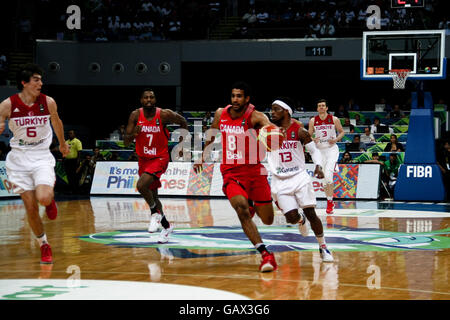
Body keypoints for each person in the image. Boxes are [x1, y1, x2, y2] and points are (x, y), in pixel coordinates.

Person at [193, 81, 279, 272]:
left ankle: (252, 205)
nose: (235, 99)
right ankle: (266, 254)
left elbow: (271, 128)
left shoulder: (256, 116)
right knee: (241, 209)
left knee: (268, 220)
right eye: (233, 96)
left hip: (254, 172)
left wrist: (272, 134)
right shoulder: (220, 113)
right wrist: (202, 155)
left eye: (239, 96)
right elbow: (212, 134)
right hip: (231, 171)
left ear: (247, 99)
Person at [0, 63, 69, 264]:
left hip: (40, 155)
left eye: (41, 79)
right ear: (24, 83)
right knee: (30, 207)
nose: (41, 83)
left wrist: (63, 144)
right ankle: (44, 245)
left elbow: (56, 122)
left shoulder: (48, 102)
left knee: (44, 198)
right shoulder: (7, 104)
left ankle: (50, 201)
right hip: (19, 159)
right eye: (36, 80)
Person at [268, 98, 334, 262]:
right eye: (271, 109)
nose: (272, 112)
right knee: (291, 217)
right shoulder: (268, 130)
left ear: (285, 112)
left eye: (276, 109)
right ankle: (300, 220)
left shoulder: (299, 131)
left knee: (311, 212)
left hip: (299, 177)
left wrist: (318, 165)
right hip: (279, 179)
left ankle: (323, 247)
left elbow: (314, 151)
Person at [124, 88, 188, 243]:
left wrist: (182, 145)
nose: (148, 100)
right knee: (154, 195)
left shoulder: (164, 114)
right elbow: (126, 141)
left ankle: (154, 213)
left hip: (159, 157)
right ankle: (166, 227)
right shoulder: (135, 115)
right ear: (141, 100)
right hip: (143, 159)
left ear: (155, 100)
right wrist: (134, 134)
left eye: (151, 97)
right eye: (145, 97)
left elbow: (183, 122)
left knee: (141, 185)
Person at [308, 99, 345, 214]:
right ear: (317, 108)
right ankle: (330, 200)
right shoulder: (313, 121)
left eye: (323, 106)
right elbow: (308, 135)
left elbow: (342, 132)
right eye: (319, 106)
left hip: (331, 150)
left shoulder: (334, 119)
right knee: (324, 180)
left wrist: (335, 139)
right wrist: (313, 139)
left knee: (328, 175)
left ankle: (330, 203)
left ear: (327, 108)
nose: (321, 107)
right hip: (319, 151)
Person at [64, 130, 82, 194]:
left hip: (74, 161)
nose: (70, 134)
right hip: (67, 161)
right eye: (69, 133)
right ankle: (70, 189)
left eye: (71, 133)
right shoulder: (66, 142)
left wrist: (78, 161)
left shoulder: (77, 141)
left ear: (74, 134)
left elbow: (79, 151)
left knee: (74, 176)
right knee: (69, 176)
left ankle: (76, 190)